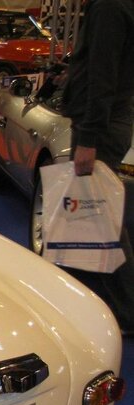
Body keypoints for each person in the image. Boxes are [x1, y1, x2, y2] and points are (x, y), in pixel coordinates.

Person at [62, 0, 134, 333]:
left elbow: (103, 72)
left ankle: (128, 309)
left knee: (101, 219)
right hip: (109, 120)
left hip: (100, 128)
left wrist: (89, 137)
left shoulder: (108, 6)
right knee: (90, 217)